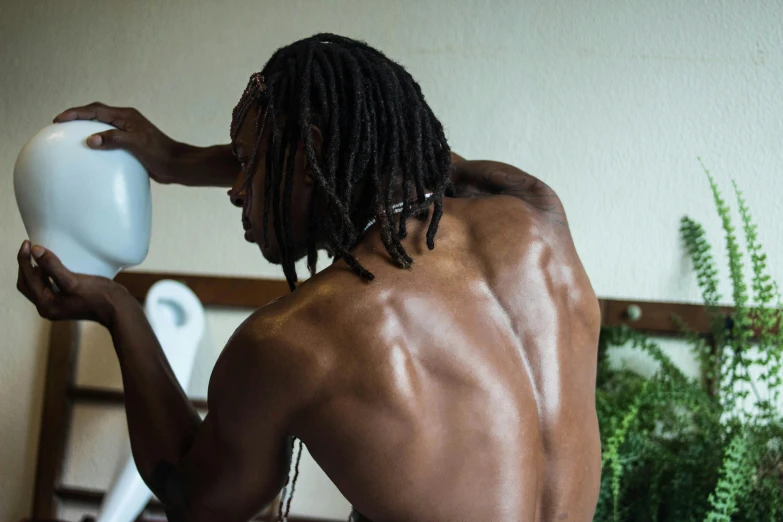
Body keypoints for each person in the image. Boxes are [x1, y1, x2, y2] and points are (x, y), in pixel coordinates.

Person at [16, 34, 601, 522]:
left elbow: (192, 495)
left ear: (312, 152)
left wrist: (118, 309)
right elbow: (397, 155)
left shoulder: (298, 337)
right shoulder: (534, 214)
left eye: (249, 163)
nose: (236, 190)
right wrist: (178, 161)